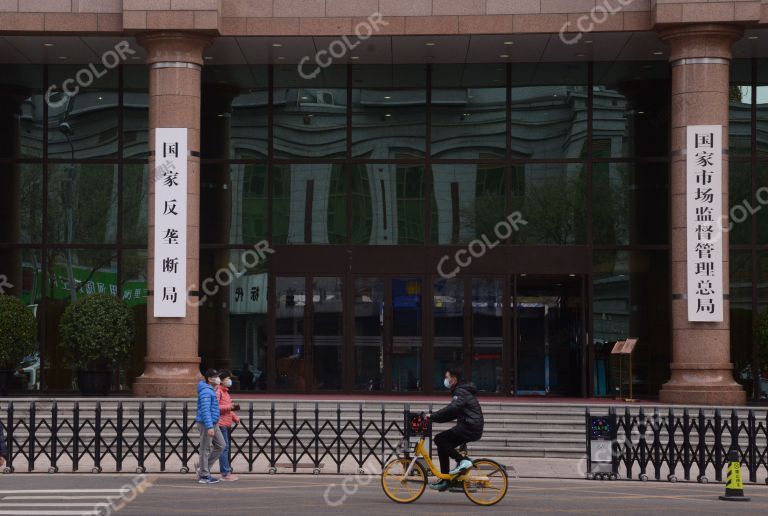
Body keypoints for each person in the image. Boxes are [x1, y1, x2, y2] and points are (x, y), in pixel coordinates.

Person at [426, 368, 484, 492]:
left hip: (470, 426)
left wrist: (433, 416)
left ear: (454, 379)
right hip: (470, 425)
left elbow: (452, 408)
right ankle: (446, 480)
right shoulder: (461, 390)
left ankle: (463, 461)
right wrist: (434, 418)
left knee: (439, 438)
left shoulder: (461, 391)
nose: (445, 380)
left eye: (447, 377)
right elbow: (452, 414)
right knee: (442, 444)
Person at [195, 369, 225, 484]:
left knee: (221, 445)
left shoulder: (211, 390)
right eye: (215, 376)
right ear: (209, 379)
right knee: (205, 449)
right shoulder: (206, 392)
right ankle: (204, 475)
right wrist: (209, 426)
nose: (218, 378)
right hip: (206, 423)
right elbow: (205, 410)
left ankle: (203, 468)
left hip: (213, 422)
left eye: (218, 376)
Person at [217, 370, 240, 481]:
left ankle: (201, 466)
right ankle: (225, 473)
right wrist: (229, 407)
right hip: (220, 424)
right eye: (227, 379)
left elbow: (228, 408)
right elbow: (216, 408)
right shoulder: (218, 392)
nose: (229, 381)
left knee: (221, 448)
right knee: (224, 448)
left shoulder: (226, 392)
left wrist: (235, 418)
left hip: (226, 423)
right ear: (221, 380)